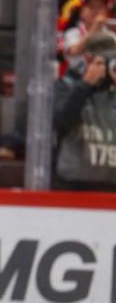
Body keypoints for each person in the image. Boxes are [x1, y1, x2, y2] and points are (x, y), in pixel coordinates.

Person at [54, 32, 116, 191]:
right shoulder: (66, 85)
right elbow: (59, 123)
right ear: (87, 60)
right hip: (73, 185)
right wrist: (86, 85)